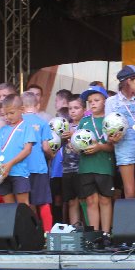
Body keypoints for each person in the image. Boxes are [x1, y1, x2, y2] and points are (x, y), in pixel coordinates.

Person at [105, 65, 135, 199]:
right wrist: (111, 138)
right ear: (128, 81)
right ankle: (131, 214)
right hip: (123, 146)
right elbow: (107, 127)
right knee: (130, 191)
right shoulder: (111, 102)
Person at [77, 85, 116, 237]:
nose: (93, 103)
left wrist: (100, 147)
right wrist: (75, 146)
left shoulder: (111, 120)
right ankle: (94, 235)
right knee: (91, 200)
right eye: (90, 101)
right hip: (86, 167)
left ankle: (106, 234)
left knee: (105, 199)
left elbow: (114, 147)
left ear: (105, 101)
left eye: (96, 100)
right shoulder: (84, 121)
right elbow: (77, 143)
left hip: (104, 166)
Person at [22, 91, 55, 233]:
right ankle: (48, 233)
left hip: (22, 168)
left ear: (21, 107)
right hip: (39, 167)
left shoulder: (18, 122)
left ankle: (29, 233)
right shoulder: (42, 122)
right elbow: (46, 147)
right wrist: (52, 155)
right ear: (38, 106)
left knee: (25, 203)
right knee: (43, 202)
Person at [0, 94, 35, 205]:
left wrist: (10, 164)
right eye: (5, 114)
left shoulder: (27, 127)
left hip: (19, 172)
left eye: (11, 113)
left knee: (23, 206)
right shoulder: (2, 129)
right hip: (2, 173)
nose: (8, 117)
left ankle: (28, 219)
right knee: (9, 207)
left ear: (22, 109)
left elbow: (27, 150)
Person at [61, 95, 84, 226]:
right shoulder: (65, 127)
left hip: (81, 169)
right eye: (70, 108)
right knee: (71, 201)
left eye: (76, 108)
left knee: (84, 200)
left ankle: (88, 228)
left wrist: (74, 135)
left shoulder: (85, 125)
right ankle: (75, 229)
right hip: (67, 169)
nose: (73, 111)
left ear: (84, 109)